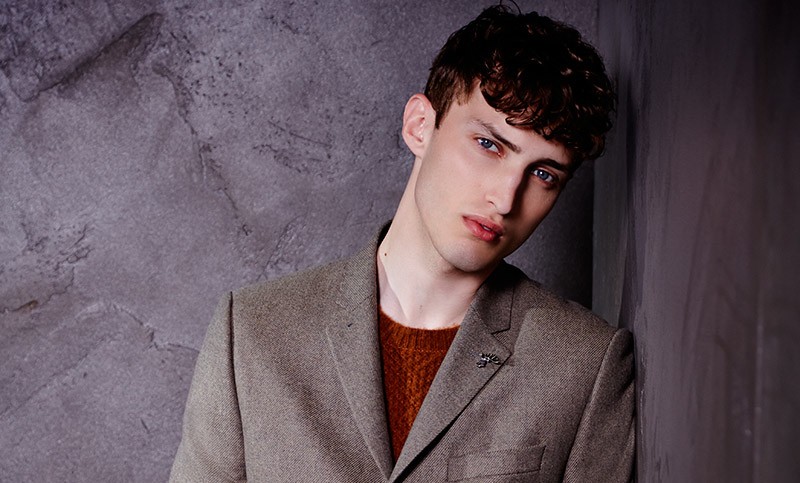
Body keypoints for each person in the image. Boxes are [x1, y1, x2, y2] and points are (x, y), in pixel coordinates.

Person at [170, 5, 633, 482]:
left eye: (543, 174)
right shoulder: (252, 333)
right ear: (419, 126)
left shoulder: (585, 366)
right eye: (489, 145)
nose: (505, 198)